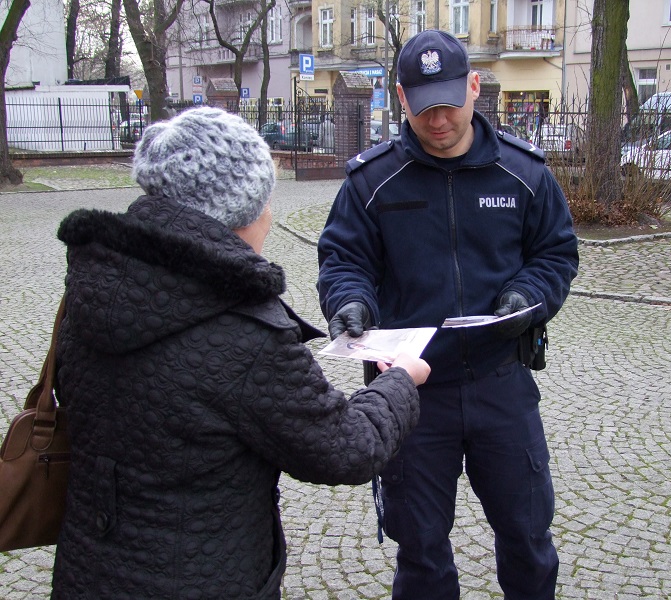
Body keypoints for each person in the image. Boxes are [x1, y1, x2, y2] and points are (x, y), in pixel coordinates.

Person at [50, 107, 430, 599]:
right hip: (206, 578)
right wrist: (400, 380)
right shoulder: (245, 332)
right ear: (243, 211)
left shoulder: (95, 285)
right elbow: (346, 450)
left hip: (90, 573)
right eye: (266, 198)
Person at [317, 29, 579, 600]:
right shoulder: (370, 181)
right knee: (422, 552)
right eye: (425, 105)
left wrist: (525, 296)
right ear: (401, 98)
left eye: (451, 102)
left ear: (475, 87)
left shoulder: (524, 173)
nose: (439, 119)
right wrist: (350, 303)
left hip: (501, 384)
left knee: (529, 540)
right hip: (411, 395)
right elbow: (343, 260)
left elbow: (556, 253)